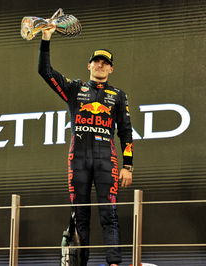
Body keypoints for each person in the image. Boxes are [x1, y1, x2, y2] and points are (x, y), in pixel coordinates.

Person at [38, 26, 133, 266]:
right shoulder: (74, 89)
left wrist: (128, 166)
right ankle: (80, 263)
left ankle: (113, 263)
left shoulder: (118, 95)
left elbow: (126, 131)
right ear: (89, 65)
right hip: (77, 159)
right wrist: (46, 39)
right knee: (80, 216)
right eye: (96, 61)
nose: (100, 65)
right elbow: (45, 71)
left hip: (106, 160)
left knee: (109, 214)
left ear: (111, 68)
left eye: (105, 62)